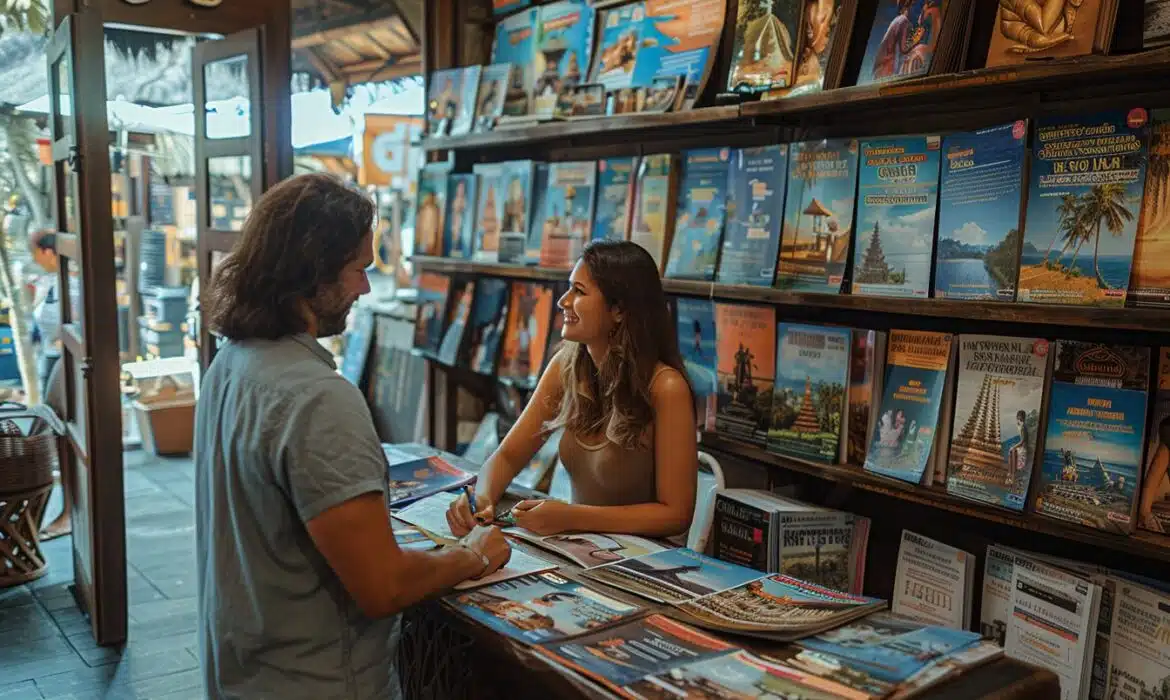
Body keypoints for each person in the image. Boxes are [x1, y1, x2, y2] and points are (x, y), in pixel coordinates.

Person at [195, 173, 511, 700]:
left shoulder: (233, 362)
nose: (365, 288)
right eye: (357, 269)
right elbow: (383, 585)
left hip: (246, 673)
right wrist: (473, 554)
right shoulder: (318, 398)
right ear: (312, 270)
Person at [447, 240, 698, 538]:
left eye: (578, 291)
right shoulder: (565, 365)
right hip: (579, 548)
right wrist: (481, 499)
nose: (562, 301)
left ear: (618, 309)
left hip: (642, 560)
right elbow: (507, 457)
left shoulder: (667, 387)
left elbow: (676, 515)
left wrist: (571, 516)